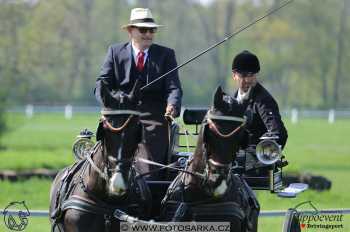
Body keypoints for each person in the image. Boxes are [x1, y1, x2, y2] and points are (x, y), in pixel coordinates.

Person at [94, 8, 183, 179]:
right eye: (143, 30)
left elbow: (174, 88)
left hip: (154, 121)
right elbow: (101, 84)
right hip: (121, 118)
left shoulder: (166, 55)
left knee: (148, 173)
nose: (148, 34)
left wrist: (172, 105)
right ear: (130, 31)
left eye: (152, 30)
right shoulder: (115, 52)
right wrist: (109, 102)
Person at [231, 50, 288, 149]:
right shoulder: (233, 99)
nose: (248, 80)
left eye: (251, 75)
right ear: (234, 75)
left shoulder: (263, 100)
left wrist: (261, 153)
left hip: (254, 159)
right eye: (243, 75)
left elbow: (278, 134)